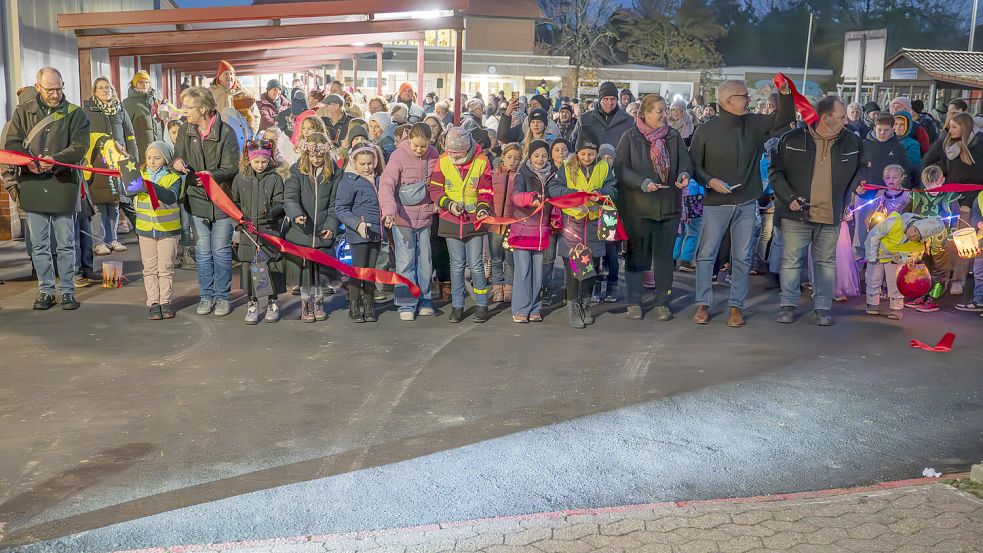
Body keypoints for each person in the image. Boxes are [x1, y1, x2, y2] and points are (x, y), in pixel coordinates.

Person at [689, 79, 795, 326]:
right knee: (706, 254)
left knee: (743, 256)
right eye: (744, 96)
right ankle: (702, 303)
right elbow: (694, 164)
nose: (749, 99)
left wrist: (785, 92)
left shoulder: (755, 123)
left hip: (746, 201)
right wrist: (709, 181)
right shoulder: (706, 129)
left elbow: (784, 117)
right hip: (715, 202)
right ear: (728, 101)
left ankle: (736, 305)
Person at [770, 96, 862, 326]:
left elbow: (863, 168)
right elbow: (775, 171)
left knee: (825, 262)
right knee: (792, 261)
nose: (846, 121)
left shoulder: (852, 141)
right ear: (825, 117)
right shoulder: (791, 139)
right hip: (796, 213)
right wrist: (788, 198)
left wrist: (853, 190)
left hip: (831, 213)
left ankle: (822, 309)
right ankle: (788, 305)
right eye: (841, 117)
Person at [4, 67, 90, 310]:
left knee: (66, 242)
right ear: (38, 87)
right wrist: (29, 162)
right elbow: (11, 144)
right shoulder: (23, 112)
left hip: (63, 182)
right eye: (50, 89)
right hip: (32, 183)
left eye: (59, 88)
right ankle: (45, 290)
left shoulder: (76, 114)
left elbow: (79, 147)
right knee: (39, 244)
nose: (55, 94)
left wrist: (52, 160)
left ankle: (67, 290)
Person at [615, 94, 692, 321]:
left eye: (665, 110)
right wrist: (642, 182)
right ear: (645, 114)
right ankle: (634, 301)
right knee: (637, 257)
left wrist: (684, 174)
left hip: (668, 206)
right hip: (638, 208)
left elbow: (685, 162)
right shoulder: (630, 137)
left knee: (664, 258)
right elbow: (619, 169)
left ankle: (662, 301)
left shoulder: (673, 136)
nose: (664, 114)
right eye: (659, 110)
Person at [172, 86, 241, 317]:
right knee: (203, 251)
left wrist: (212, 176)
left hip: (220, 200)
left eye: (189, 107)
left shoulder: (227, 133)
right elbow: (177, 154)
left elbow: (231, 167)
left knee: (220, 250)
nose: (185, 112)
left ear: (203, 108)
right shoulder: (185, 130)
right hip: (196, 199)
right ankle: (206, 295)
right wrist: (178, 162)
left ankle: (222, 297)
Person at [549, 130, 617, 329]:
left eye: (591, 154)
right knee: (574, 269)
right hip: (574, 222)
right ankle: (573, 308)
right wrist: (574, 194)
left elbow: (613, 188)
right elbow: (555, 188)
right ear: (577, 152)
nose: (587, 158)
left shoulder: (604, 167)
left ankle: (586, 304)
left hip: (595, 223)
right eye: (583, 153)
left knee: (591, 269)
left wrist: (602, 192)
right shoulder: (567, 166)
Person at [428, 127, 494, 323]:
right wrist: (449, 205)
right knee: (456, 265)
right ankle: (457, 305)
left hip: (474, 221)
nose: (454, 155)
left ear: (467, 148)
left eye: (458, 152)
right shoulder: (443, 161)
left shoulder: (482, 161)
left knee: (475, 264)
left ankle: (482, 303)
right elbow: (435, 189)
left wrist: (482, 208)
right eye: (451, 151)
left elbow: (486, 190)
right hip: (450, 219)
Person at [379, 122, 440, 321]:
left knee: (425, 261)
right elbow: (387, 183)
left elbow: (440, 183)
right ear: (409, 140)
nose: (419, 150)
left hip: (425, 216)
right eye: (415, 146)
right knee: (405, 261)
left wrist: (440, 203)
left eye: (423, 146)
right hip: (402, 216)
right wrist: (389, 209)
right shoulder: (398, 155)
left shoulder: (434, 155)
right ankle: (406, 302)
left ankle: (425, 300)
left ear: (430, 142)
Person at [923, 112, 983, 301]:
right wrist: (938, 171)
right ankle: (943, 278)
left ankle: (959, 279)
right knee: (946, 241)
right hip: (949, 198)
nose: (950, 130)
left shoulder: (979, 145)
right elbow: (929, 161)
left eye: (955, 127)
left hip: (971, 199)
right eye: (950, 126)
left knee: (963, 241)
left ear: (964, 127)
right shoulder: (946, 143)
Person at [284, 133, 340, 322]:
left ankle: (318, 301)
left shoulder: (335, 174)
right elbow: (290, 197)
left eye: (320, 156)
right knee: (305, 269)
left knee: (320, 271)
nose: (316, 160)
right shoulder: (296, 171)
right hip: (303, 231)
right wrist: (296, 214)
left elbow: (335, 203)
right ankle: (305, 301)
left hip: (323, 230)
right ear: (306, 154)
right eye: (313, 156)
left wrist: (332, 224)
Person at [232, 139, 287, 324]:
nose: (261, 165)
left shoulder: (275, 179)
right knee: (250, 268)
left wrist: (272, 212)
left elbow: (281, 202)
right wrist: (238, 222)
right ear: (249, 160)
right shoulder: (241, 178)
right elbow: (234, 203)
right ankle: (252, 303)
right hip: (248, 233)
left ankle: (272, 302)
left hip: (269, 231)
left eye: (264, 161)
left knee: (271, 267)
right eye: (257, 162)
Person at [83, 77, 138, 257]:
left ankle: (113, 239)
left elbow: (130, 135)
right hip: (98, 162)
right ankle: (99, 242)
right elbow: (83, 136)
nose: (105, 90)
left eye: (108, 87)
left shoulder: (120, 109)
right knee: (99, 202)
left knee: (115, 202)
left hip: (119, 162)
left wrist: (133, 159)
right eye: (100, 88)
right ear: (94, 91)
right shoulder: (88, 110)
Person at [335, 145, 386, 323]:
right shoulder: (349, 181)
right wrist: (357, 224)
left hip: (376, 232)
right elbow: (341, 208)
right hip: (358, 233)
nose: (367, 167)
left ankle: (369, 303)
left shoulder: (379, 179)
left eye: (370, 163)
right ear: (354, 162)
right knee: (358, 270)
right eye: (362, 163)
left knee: (371, 270)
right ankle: (354, 305)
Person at [865, 213, 945, 320]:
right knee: (873, 278)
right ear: (914, 224)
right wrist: (871, 256)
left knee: (895, 282)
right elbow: (874, 235)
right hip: (876, 253)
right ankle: (872, 303)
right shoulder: (895, 222)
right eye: (915, 231)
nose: (913, 236)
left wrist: (901, 258)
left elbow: (912, 256)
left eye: (917, 237)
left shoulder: (920, 245)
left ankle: (896, 308)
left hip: (894, 259)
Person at [135, 141, 183, 320]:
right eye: (148, 158)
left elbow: (171, 197)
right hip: (146, 229)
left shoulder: (173, 178)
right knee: (149, 269)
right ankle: (153, 302)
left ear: (166, 159)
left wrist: (149, 185)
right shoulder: (138, 175)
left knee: (165, 268)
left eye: (157, 158)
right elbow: (128, 192)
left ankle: (165, 301)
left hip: (167, 230)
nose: (152, 162)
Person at [488, 143, 521, 303]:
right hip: (494, 224)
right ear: (503, 157)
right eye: (509, 157)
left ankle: (509, 287)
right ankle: (496, 287)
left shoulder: (520, 178)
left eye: (517, 159)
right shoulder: (494, 175)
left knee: (510, 259)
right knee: (495, 258)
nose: (512, 161)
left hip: (512, 225)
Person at [571, 82, 633, 152]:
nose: (610, 103)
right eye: (606, 99)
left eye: (613, 99)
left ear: (617, 100)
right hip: (592, 162)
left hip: (619, 162)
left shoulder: (629, 121)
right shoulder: (584, 119)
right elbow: (573, 144)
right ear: (600, 100)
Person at [123, 70, 165, 164]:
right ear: (134, 84)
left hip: (157, 146)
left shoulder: (155, 100)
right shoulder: (128, 103)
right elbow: (126, 127)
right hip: (140, 148)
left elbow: (159, 123)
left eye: (147, 82)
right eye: (141, 82)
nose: (144, 84)